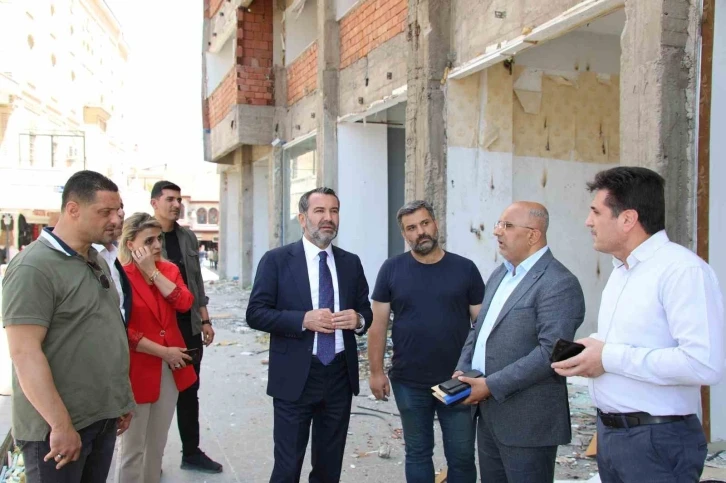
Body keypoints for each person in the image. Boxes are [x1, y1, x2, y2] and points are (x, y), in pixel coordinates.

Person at [552, 167, 724, 482]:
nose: (588, 222)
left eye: (596, 212)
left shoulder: (682, 271)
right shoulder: (622, 271)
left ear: (628, 219)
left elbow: (704, 364)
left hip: (657, 440)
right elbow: (629, 342)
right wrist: (591, 351)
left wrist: (608, 357)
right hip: (613, 436)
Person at [1, 170, 135, 483]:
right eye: (105, 212)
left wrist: (120, 399)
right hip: (58, 430)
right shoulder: (33, 267)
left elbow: (106, 330)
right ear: (73, 209)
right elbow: (24, 353)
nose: (115, 219)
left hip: (100, 417)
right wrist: (60, 425)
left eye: (118, 211)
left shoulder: (95, 259)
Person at [246, 187, 373, 483]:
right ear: (303, 219)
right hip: (295, 377)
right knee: (287, 468)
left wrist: (358, 320)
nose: (328, 218)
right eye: (320, 211)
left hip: (339, 376)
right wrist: (303, 320)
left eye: (334, 211)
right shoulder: (277, 260)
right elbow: (256, 313)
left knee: (329, 468)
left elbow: (366, 311)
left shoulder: (350, 262)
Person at [455, 201, 585, 483]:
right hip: (489, 417)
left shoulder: (559, 283)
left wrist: (491, 385)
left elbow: (552, 353)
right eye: (499, 224)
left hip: (528, 424)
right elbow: (479, 329)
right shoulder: (500, 274)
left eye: (507, 225)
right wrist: (463, 369)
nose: (497, 231)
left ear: (533, 235)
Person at [368, 200, 484, 482]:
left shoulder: (465, 269)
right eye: (411, 228)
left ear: (435, 224)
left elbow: (482, 327)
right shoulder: (391, 269)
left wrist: (481, 375)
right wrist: (376, 372)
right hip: (408, 380)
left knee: (462, 456)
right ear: (404, 235)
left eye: (424, 223)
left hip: (457, 381)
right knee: (418, 452)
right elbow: (377, 325)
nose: (420, 232)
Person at [114, 213, 198, 483]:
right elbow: (122, 328)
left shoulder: (168, 270)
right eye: (148, 241)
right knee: (132, 449)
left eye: (159, 238)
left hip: (170, 369)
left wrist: (153, 271)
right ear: (131, 244)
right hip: (138, 367)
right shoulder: (120, 275)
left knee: (156, 447)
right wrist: (164, 352)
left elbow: (184, 303)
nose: (157, 245)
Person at [150, 180, 221, 473]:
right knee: (155, 395)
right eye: (169, 199)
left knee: (189, 390)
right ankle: (151, 459)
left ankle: (191, 453)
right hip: (156, 328)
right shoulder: (143, 235)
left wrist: (204, 319)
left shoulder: (187, 237)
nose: (176, 204)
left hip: (188, 325)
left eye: (178, 199)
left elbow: (196, 282)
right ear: (154, 202)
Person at [92, 201, 132, 325]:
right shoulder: (83, 259)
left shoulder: (114, 257)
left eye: (121, 207)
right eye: (108, 210)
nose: (121, 213)